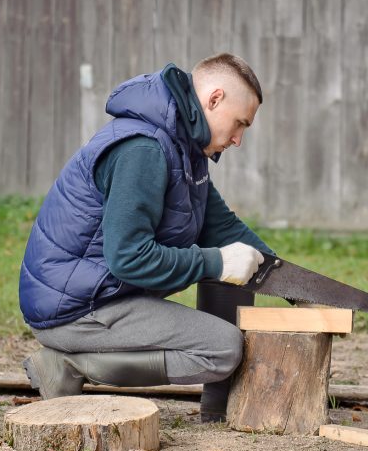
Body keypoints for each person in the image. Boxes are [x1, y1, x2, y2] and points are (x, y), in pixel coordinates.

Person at [18, 53, 272, 422]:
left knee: (236, 264)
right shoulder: (143, 149)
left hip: (106, 295)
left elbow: (224, 228)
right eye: (239, 124)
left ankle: (217, 409)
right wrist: (217, 261)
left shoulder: (186, 148)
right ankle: (68, 365)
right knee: (221, 349)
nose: (237, 140)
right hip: (75, 309)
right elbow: (130, 258)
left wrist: (287, 278)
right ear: (214, 99)